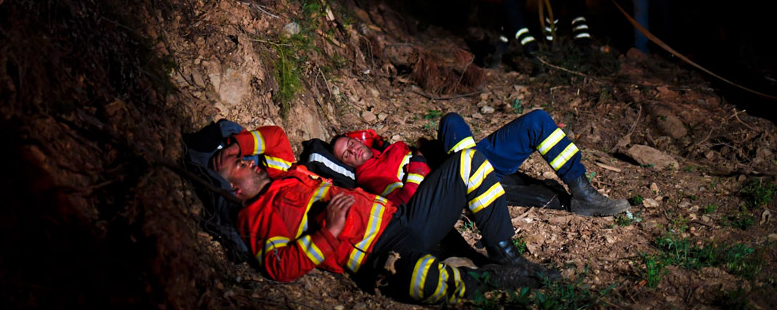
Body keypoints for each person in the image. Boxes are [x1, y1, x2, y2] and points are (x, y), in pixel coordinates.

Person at [210, 125, 560, 304]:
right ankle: (492, 284)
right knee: (420, 276)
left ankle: (509, 257)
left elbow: (274, 137)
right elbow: (279, 268)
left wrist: (238, 144)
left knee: (468, 162)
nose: (243, 161)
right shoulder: (255, 221)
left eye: (240, 157)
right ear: (234, 191)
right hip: (381, 252)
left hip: (401, 218)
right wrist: (328, 233)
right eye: (236, 167)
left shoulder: (283, 173)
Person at [329, 111, 629, 217]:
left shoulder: (383, 149)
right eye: (346, 154)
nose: (353, 150)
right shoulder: (371, 176)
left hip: (475, 160)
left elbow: (364, 135)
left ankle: (583, 192)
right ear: (348, 165)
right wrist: (420, 160)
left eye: (351, 143)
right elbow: (407, 198)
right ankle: (478, 181)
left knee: (537, 121)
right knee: (449, 122)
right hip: (453, 182)